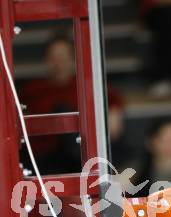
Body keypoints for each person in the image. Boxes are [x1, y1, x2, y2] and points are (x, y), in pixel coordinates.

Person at [20, 33, 125, 173]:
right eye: (54, 58)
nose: (58, 63)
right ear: (46, 60)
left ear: (73, 59)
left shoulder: (93, 87)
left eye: (63, 57)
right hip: (42, 160)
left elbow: (113, 129)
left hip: (84, 155)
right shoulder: (31, 90)